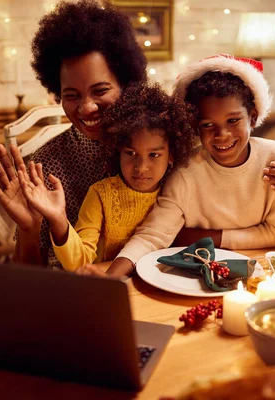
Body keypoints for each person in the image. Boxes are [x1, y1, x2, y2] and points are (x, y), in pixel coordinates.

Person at [0, 0, 275, 270]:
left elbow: (232, 171)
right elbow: (32, 280)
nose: (87, 107)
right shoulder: (47, 165)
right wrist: (28, 228)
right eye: (71, 95)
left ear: (127, 83)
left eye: (100, 90)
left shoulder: (171, 140)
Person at [87, 55, 275, 278]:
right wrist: (110, 278)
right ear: (195, 126)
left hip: (261, 268)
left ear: (252, 117)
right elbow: (152, 236)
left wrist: (204, 238)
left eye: (233, 120)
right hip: (194, 276)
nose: (222, 134)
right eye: (207, 125)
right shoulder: (186, 172)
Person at [16, 83, 195, 271]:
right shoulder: (101, 194)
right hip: (108, 284)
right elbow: (79, 263)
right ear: (117, 150)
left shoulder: (175, 190)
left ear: (172, 155)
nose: (141, 167)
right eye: (130, 153)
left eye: (154, 155)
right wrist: (59, 220)